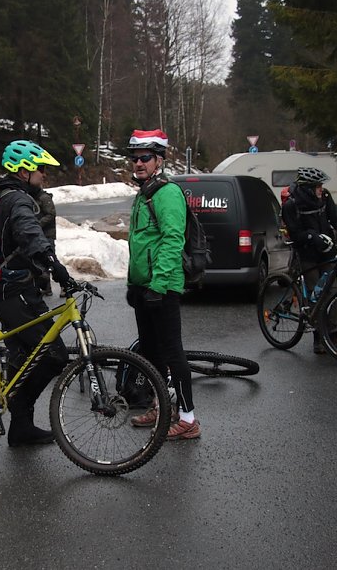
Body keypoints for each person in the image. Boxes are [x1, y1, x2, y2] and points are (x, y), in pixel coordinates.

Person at [0, 139, 74, 445]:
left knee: (23, 355)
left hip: (11, 289)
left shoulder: (7, 196)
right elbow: (30, 235)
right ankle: (20, 413)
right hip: (14, 291)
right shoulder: (18, 201)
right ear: (24, 172)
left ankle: (20, 427)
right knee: (54, 354)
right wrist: (57, 268)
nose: (44, 175)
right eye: (40, 170)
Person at [125, 129, 199, 440]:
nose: (138, 163)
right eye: (135, 158)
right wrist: (134, 283)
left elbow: (172, 240)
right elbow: (139, 242)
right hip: (144, 287)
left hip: (164, 286)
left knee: (172, 353)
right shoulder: (144, 193)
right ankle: (160, 406)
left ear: (159, 160)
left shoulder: (167, 193)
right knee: (151, 352)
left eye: (145, 158)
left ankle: (188, 419)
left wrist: (157, 283)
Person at [281, 166, 337, 354]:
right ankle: (318, 338)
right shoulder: (292, 204)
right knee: (317, 296)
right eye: (318, 186)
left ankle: (334, 337)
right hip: (307, 255)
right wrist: (313, 237)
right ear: (307, 188)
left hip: (327, 252)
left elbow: (336, 216)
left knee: (333, 294)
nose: (321, 189)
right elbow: (296, 234)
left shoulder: (325, 197)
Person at [27, 183, 57, 296]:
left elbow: (51, 214)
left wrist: (37, 224)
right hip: (39, 234)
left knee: (51, 260)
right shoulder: (32, 198)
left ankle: (65, 284)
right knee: (40, 260)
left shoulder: (44, 198)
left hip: (47, 234)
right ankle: (46, 287)